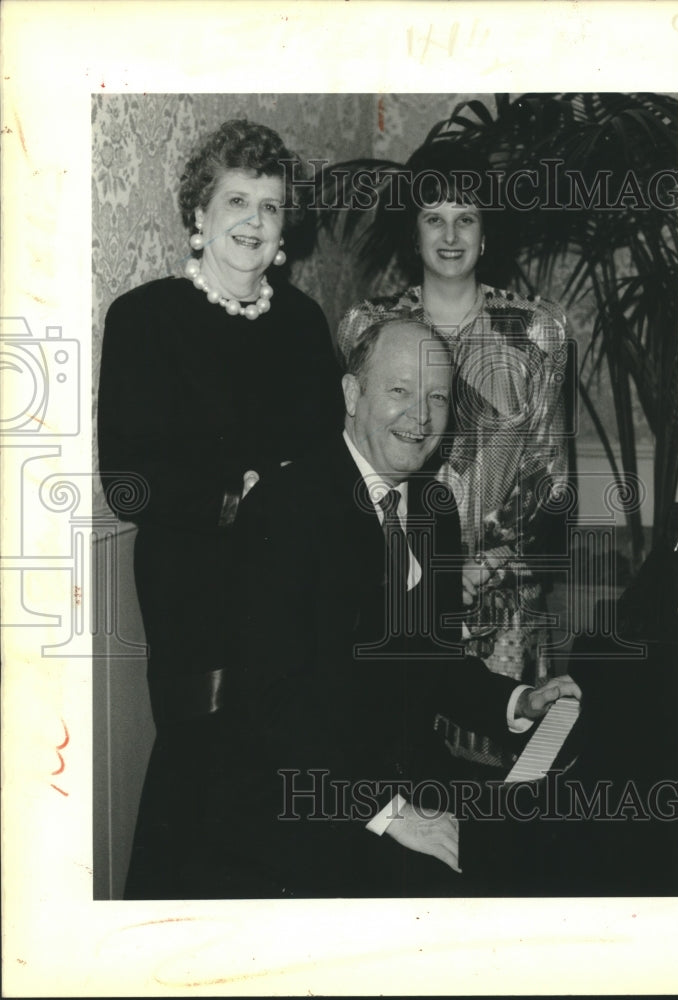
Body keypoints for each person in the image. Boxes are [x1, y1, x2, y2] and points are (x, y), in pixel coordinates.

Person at [231, 316, 582, 897]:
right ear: (352, 393)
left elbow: (432, 661)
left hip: (413, 784)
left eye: (436, 398)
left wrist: (518, 699)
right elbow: (274, 705)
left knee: (553, 852)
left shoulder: (432, 509)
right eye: (399, 391)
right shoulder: (285, 508)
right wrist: (391, 812)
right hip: (310, 808)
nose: (420, 417)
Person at [97, 118, 343, 898]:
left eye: (270, 208)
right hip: (193, 589)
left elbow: (325, 458)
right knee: (198, 769)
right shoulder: (143, 318)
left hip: (292, 586)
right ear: (197, 217)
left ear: (283, 232)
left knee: (280, 770)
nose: (253, 221)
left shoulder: (304, 324)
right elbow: (126, 483)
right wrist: (240, 495)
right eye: (235, 200)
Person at [337, 144, 570, 768]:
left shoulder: (536, 330)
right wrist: (433, 570)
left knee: (495, 774)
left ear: (486, 232)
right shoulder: (369, 327)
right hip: (397, 591)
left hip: (504, 601)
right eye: (433, 218)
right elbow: (355, 467)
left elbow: (550, 476)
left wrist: (488, 567)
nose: (449, 234)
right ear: (413, 233)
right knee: (395, 764)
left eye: (464, 217)